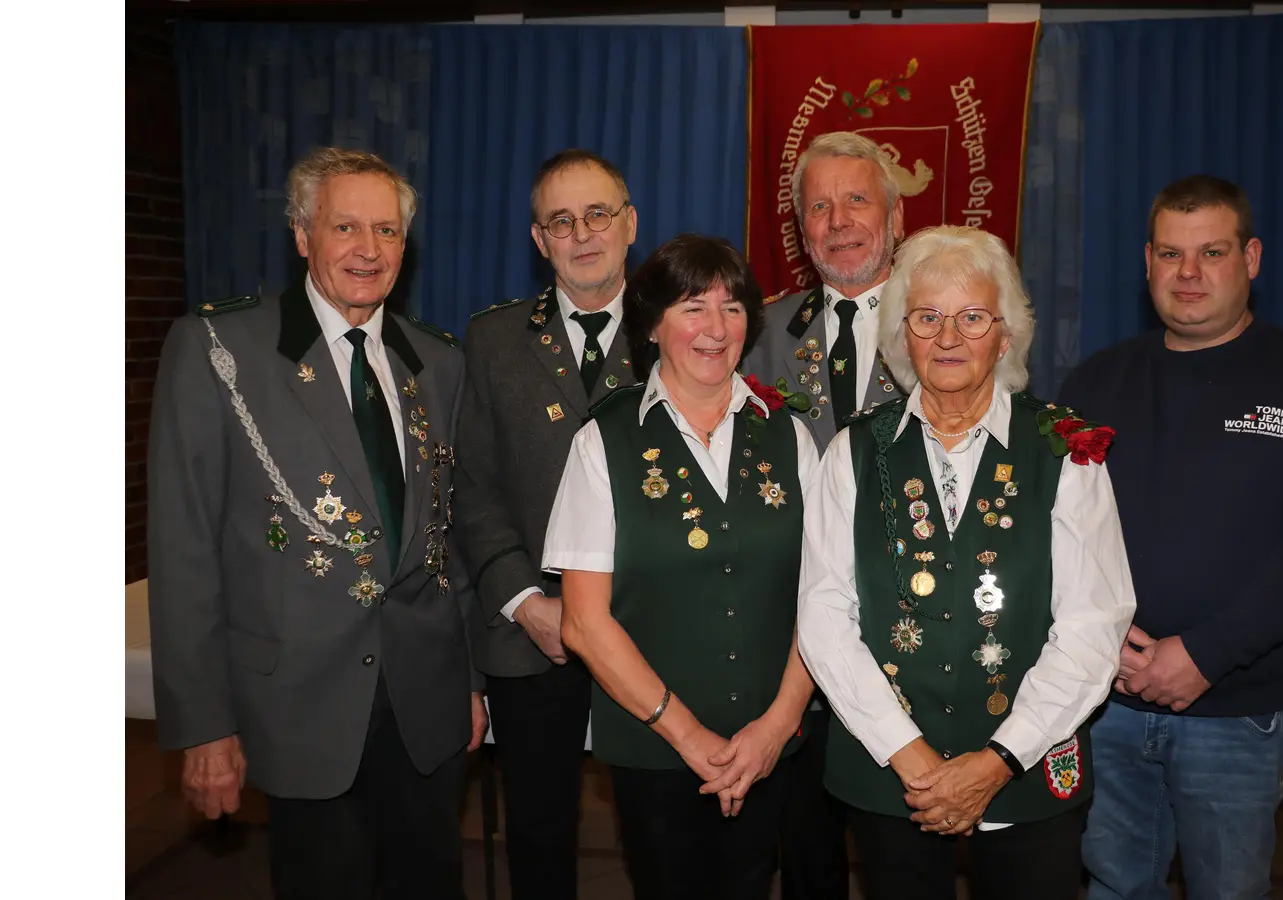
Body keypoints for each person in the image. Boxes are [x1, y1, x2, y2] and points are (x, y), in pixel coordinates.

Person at [147, 146, 486, 900]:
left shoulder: (436, 361)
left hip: (424, 706)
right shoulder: (219, 350)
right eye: (346, 228)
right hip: (298, 705)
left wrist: (468, 681)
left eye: (388, 230)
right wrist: (203, 727)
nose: (369, 250)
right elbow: (184, 550)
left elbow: (446, 537)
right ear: (302, 235)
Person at [1059, 175, 1283, 899]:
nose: (1189, 273)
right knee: (1112, 889)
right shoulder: (1096, 381)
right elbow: (1057, 533)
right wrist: (1098, 638)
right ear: (1147, 263)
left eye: (1211, 252)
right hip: (1106, 701)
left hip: (1235, 711)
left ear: (1252, 258)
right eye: (1171, 254)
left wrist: (1205, 654)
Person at [797, 225, 1136, 900]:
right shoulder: (853, 453)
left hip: (1030, 770)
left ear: (1005, 336)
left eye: (972, 317)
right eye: (927, 317)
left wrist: (999, 759)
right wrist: (912, 756)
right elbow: (825, 616)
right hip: (892, 777)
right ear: (900, 336)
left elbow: (1094, 625)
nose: (948, 337)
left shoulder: (1065, 450)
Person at [542, 234, 820, 900]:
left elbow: (826, 599)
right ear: (653, 325)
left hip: (769, 746)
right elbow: (583, 623)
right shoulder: (601, 440)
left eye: (732, 307)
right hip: (655, 750)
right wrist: (690, 736)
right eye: (693, 307)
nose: (715, 328)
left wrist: (776, 728)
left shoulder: (789, 435)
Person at [453, 148, 639, 900]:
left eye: (598, 213)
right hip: (535, 630)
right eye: (562, 220)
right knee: (538, 833)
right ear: (539, 241)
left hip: (650, 630)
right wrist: (526, 603)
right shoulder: (492, 341)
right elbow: (472, 488)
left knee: (664, 827)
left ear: (630, 224)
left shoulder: (683, 330)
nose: (583, 233)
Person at [740, 130, 909, 898]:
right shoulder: (759, 334)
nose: (838, 220)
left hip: (915, 634)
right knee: (806, 851)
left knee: (905, 851)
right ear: (800, 228)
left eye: (856, 200)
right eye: (819, 206)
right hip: (796, 641)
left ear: (895, 216)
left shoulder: (943, 323)